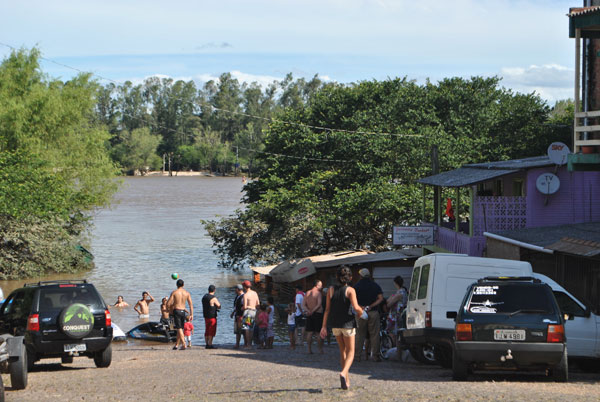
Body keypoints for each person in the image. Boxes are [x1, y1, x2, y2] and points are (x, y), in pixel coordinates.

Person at [321, 265, 364, 391]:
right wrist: (361, 312)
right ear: (350, 277)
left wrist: (323, 326)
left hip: (335, 324)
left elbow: (327, 310)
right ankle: (344, 373)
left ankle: (347, 380)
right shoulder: (350, 290)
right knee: (351, 352)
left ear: (336, 277)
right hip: (348, 324)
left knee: (342, 351)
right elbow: (356, 308)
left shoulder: (330, 290)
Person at [353, 268, 384, 362]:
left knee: (359, 334)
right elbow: (380, 298)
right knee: (374, 334)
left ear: (360, 276)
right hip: (373, 312)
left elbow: (352, 300)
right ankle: (375, 356)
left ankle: (357, 356)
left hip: (360, 313)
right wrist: (371, 306)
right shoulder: (375, 285)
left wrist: (360, 307)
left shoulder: (356, 286)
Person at [167, 279, 194, 350]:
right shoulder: (187, 293)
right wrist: (191, 314)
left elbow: (168, 303)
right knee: (181, 328)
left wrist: (170, 309)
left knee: (179, 328)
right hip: (183, 311)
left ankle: (184, 344)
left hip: (177, 310)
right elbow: (190, 304)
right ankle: (176, 344)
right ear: (183, 285)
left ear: (176, 285)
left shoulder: (174, 292)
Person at [302, 279, 324, 354]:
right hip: (317, 313)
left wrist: (308, 311)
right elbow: (319, 304)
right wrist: (313, 311)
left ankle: (309, 349)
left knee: (310, 332)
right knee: (318, 333)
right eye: (321, 285)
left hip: (309, 314)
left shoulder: (307, 293)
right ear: (317, 285)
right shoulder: (318, 293)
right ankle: (320, 350)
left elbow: (303, 305)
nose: (322, 287)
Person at [386, 276, 408, 347]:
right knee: (398, 333)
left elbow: (389, 304)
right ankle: (396, 350)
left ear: (395, 283)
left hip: (395, 315)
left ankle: (393, 349)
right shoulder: (404, 292)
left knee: (393, 334)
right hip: (401, 315)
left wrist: (391, 297)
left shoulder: (399, 293)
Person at [241, 280, 260, 348]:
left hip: (248, 312)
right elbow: (258, 304)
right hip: (254, 312)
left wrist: (242, 309)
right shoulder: (255, 293)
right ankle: (250, 344)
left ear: (244, 287)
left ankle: (248, 344)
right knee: (251, 328)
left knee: (246, 328)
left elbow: (245, 307)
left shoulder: (245, 295)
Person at [202, 284, 221, 349]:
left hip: (205, 315)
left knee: (207, 329)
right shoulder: (213, 298)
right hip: (212, 316)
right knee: (211, 330)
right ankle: (210, 344)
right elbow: (219, 305)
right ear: (214, 290)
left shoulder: (204, 297)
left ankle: (206, 343)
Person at [230, 284, 245, 349]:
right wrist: (233, 313)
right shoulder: (237, 296)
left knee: (244, 330)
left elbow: (243, 306)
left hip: (241, 315)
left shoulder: (243, 297)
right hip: (237, 315)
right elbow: (236, 307)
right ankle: (237, 343)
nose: (234, 290)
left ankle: (246, 343)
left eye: (235, 289)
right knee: (237, 331)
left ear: (238, 290)